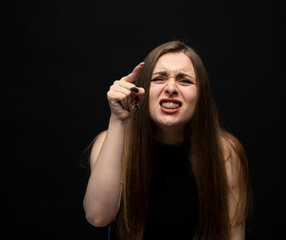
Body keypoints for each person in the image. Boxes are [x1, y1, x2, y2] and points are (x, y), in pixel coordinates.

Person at [82, 41, 252, 240]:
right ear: (142, 91)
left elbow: (233, 235)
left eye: (185, 81)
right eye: (159, 79)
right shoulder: (110, 142)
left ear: (200, 97)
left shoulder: (225, 152)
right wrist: (118, 121)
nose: (171, 88)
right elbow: (98, 216)